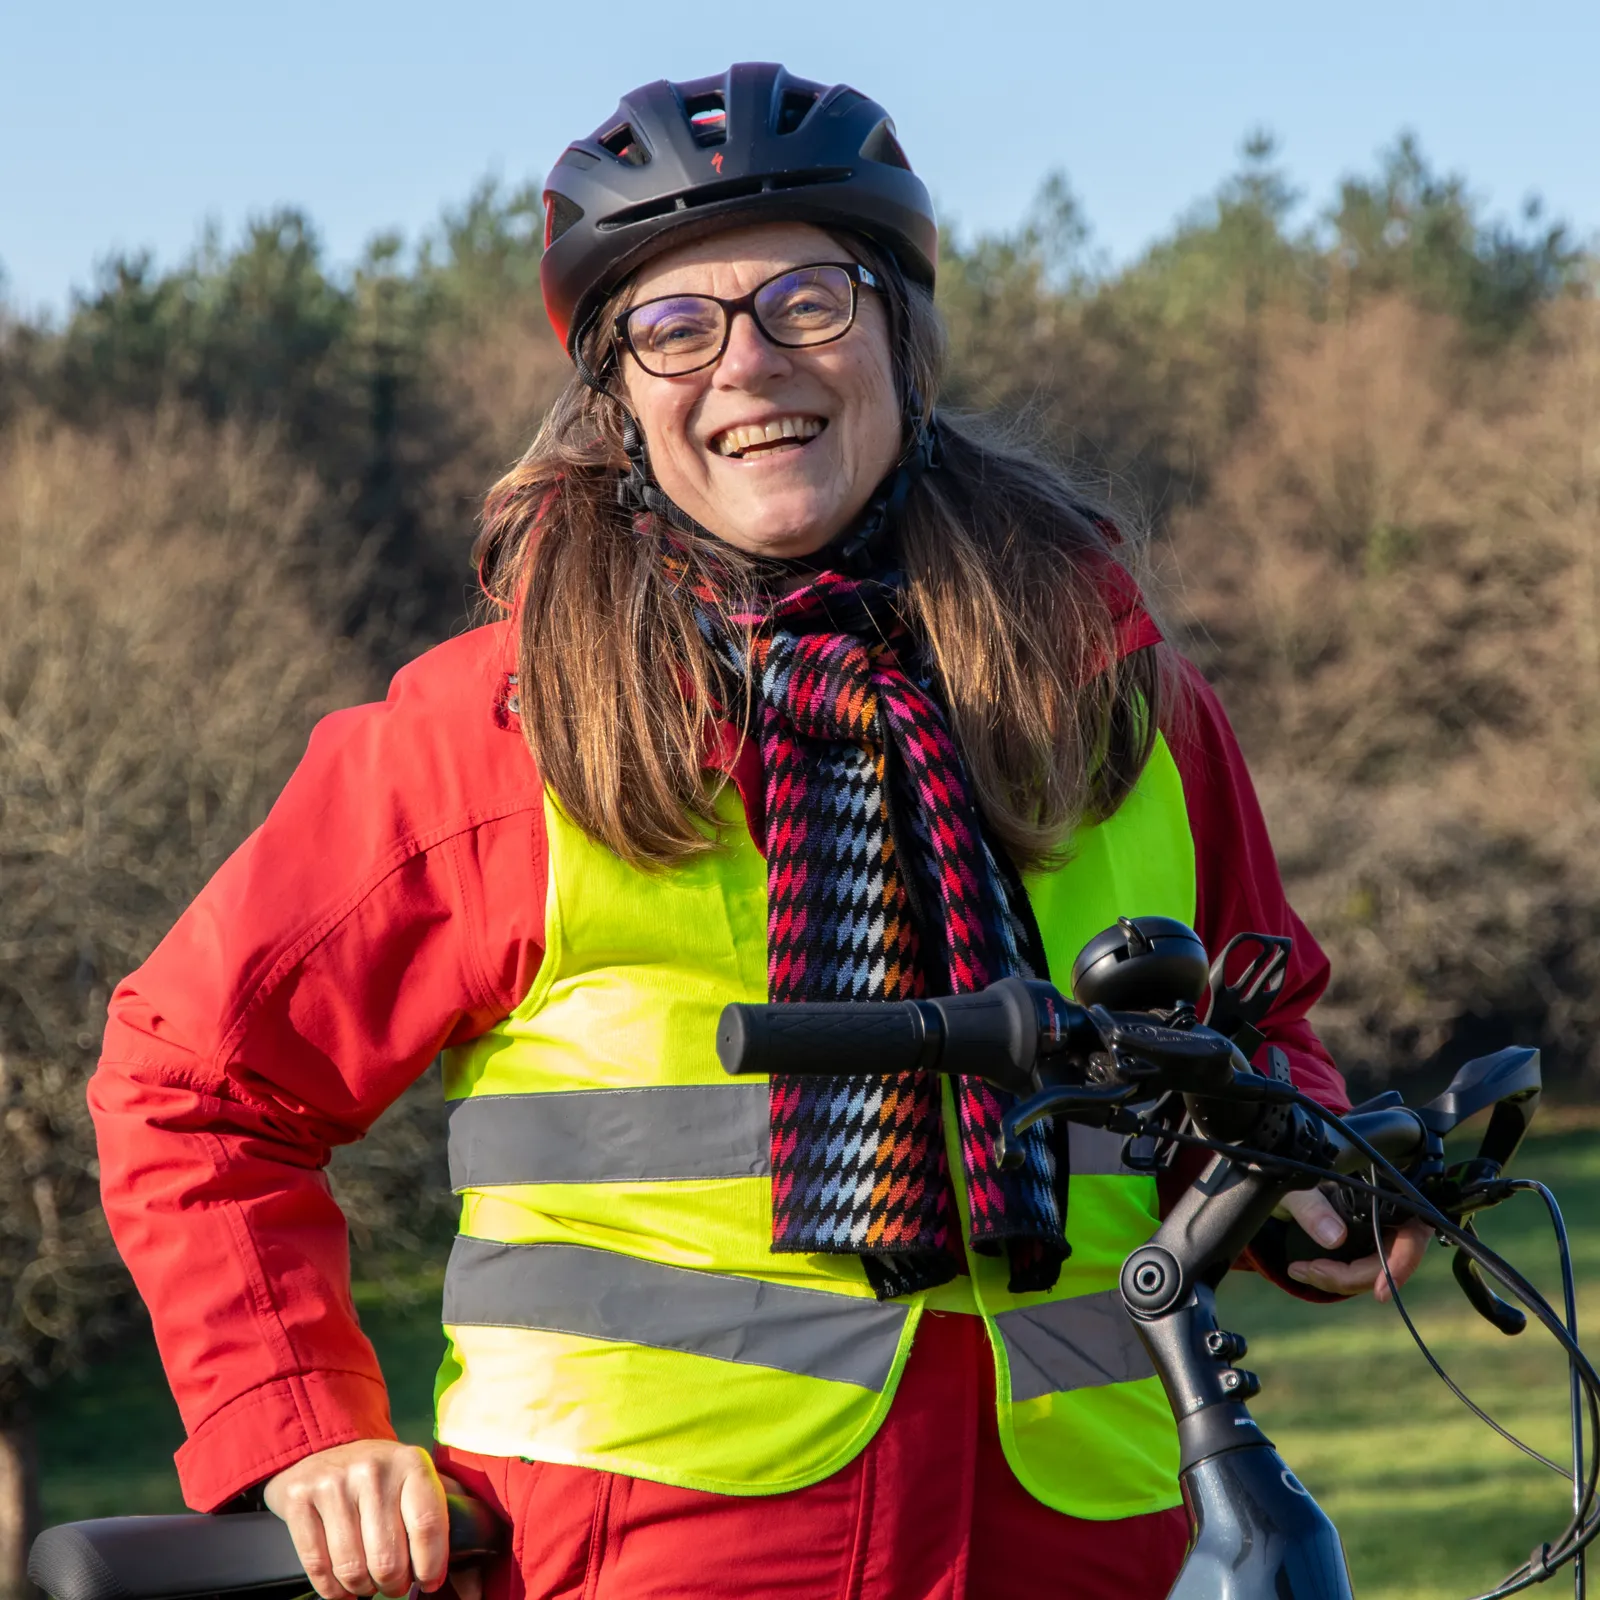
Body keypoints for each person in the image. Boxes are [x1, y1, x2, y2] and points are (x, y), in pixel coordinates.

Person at [90, 63, 1428, 1600]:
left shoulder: (1125, 700)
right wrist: (301, 1425)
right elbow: (193, 1080)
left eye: (809, 303)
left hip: (1099, 1540)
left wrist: (1307, 1185)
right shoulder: (501, 727)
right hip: (648, 1550)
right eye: (675, 325)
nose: (747, 366)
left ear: (899, 341)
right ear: (617, 389)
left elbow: (1255, 1041)